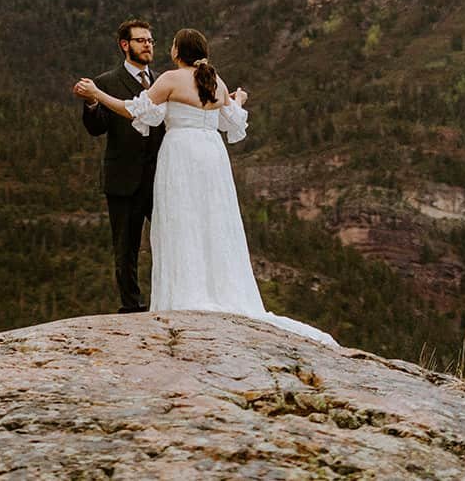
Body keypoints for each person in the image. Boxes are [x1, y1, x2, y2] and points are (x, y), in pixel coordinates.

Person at [74, 28, 335, 346]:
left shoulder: (171, 79)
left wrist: (97, 95)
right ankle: (219, 290)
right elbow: (232, 118)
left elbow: (134, 111)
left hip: (182, 155)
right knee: (214, 222)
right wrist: (238, 99)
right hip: (212, 159)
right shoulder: (217, 81)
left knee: (182, 224)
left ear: (176, 52)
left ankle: (186, 294)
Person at [80, 18, 163, 313]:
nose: (148, 45)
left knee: (169, 240)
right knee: (126, 248)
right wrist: (91, 103)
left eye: (150, 41)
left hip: (161, 178)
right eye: (142, 40)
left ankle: (170, 300)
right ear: (125, 45)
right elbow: (96, 127)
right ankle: (132, 306)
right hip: (123, 176)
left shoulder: (162, 81)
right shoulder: (106, 82)